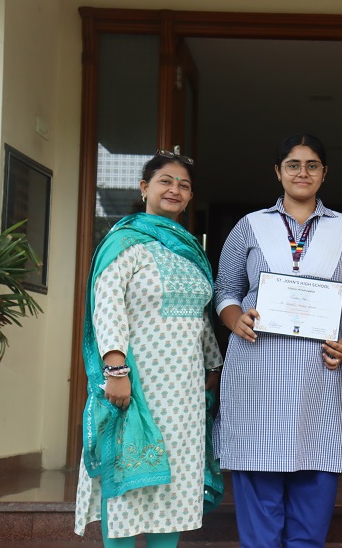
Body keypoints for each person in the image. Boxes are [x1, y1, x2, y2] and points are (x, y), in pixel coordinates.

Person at [213, 133, 342, 548]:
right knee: (260, 504)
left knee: (312, 504)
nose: (302, 172)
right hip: (258, 373)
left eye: (312, 165)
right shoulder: (251, 225)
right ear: (278, 172)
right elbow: (225, 289)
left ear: (324, 173)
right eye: (293, 165)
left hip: (322, 374)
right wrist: (234, 319)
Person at [75, 150, 224, 547]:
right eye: (166, 181)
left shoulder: (189, 250)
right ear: (145, 188)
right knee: (127, 486)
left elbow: (201, 317)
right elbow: (106, 307)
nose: (175, 189)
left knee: (174, 491)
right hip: (136, 387)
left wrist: (214, 369)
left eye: (184, 185)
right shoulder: (124, 242)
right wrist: (116, 370)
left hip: (184, 395)